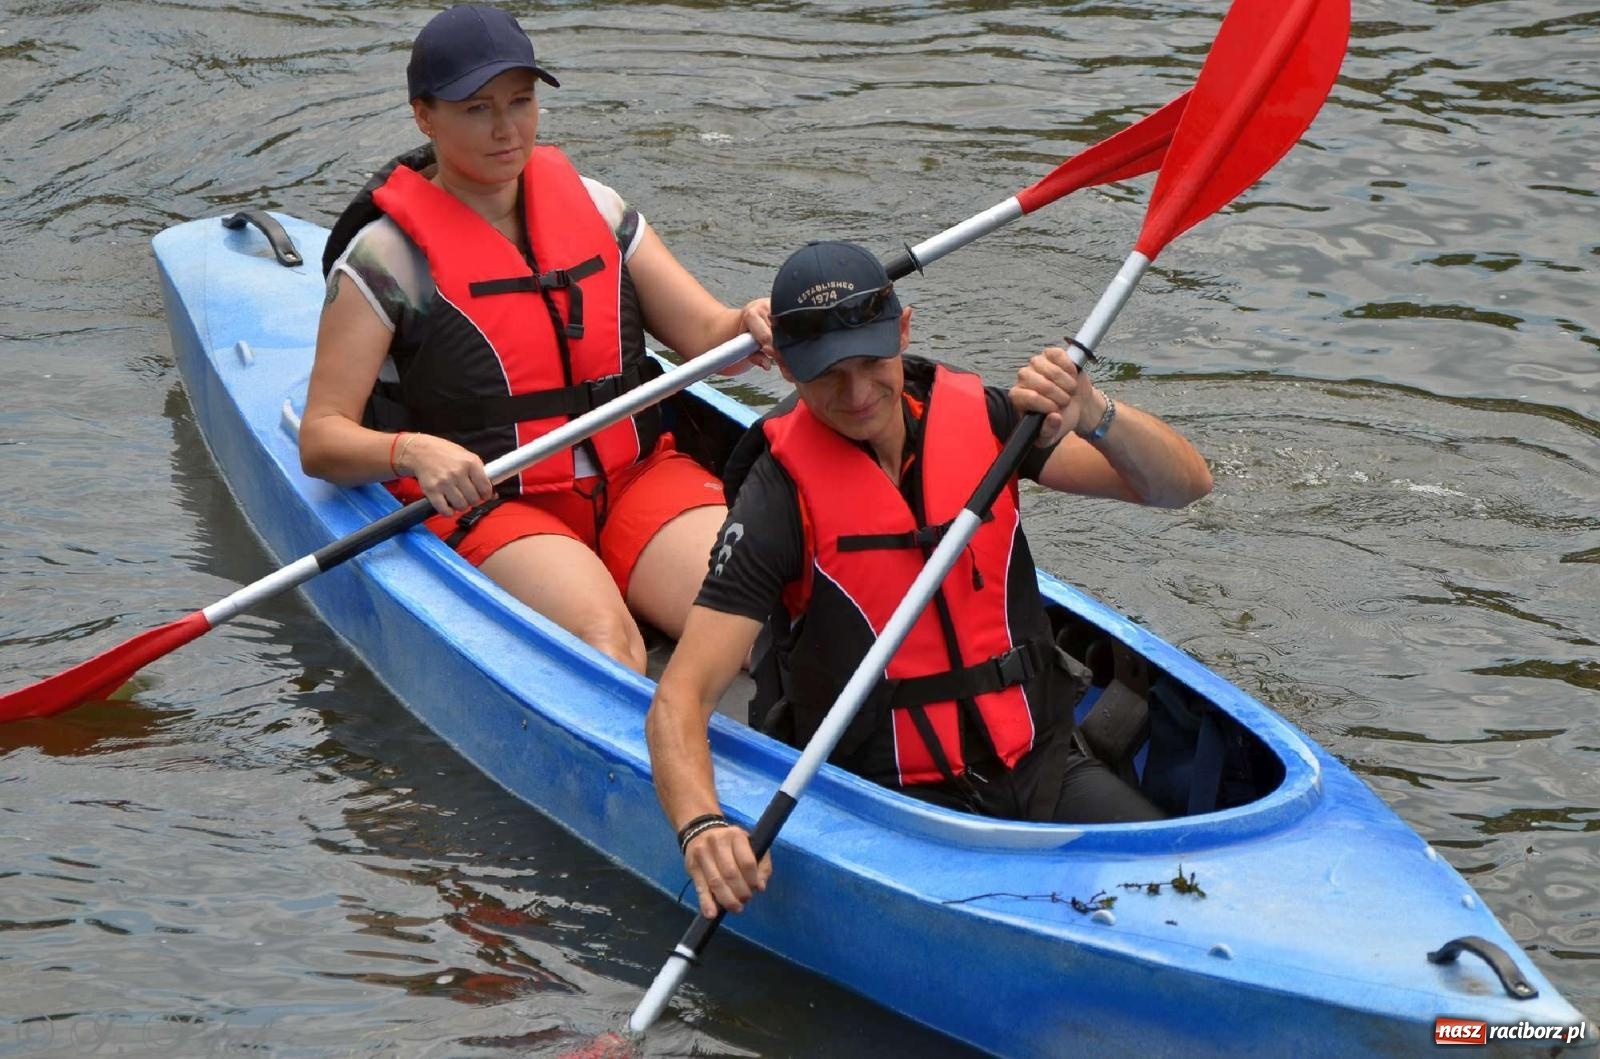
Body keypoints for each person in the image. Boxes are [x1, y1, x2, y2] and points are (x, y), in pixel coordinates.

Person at [645, 240, 1215, 918]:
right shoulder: (776, 498)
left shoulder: (988, 422)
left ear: (904, 331)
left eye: (870, 362)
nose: (857, 395)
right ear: (790, 370)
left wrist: (1097, 414)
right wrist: (703, 826)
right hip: (886, 801)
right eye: (828, 374)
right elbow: (678, 702)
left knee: (1196, 894)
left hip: (1039, 767)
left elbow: (1180, 487)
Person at [300, 4, 772, 673]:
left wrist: (749, 325)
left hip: (637, 477)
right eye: (475, 108)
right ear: (423, 115)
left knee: (760, 620)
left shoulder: (596, 207)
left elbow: (705, 331)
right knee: (613, 649)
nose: (505, 128)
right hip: (498, 505)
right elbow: (321, 438)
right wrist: (412, 450)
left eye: (520, 102)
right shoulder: (386, 260)